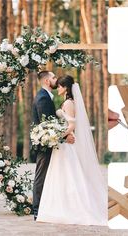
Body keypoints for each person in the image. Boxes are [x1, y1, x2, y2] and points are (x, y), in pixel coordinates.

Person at [36, 75, 107, 226]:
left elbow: (72, 124)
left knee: (69, 175)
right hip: (63, 144)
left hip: (67, 144)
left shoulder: (68, 103)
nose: (58, 89)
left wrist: (58, 135)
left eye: (61, 86)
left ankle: (70, 207)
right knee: (61, 174)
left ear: (66, 88)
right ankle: (60, 205)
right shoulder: (67, 101)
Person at [32, 71, 75, 221]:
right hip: (45, 145)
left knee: (53, 176)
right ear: (46, 81)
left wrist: (65, 134)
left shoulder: (48, 97)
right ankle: (37, 210)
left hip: (53, 143)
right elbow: (47, 126)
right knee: (42, 177)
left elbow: (53, 124)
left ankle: (48, 207)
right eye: (53, 77)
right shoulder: (43, 98)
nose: (56, 80)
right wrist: (66, 135)